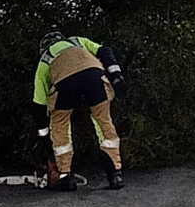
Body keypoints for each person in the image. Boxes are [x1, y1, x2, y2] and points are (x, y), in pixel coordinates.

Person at [32, 30, 129, 191]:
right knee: (104, 121)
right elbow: (105, 51)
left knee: (60, 124)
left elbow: (39, 105)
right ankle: (115, 175)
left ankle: (66, 177)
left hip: (64, 83)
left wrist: (45, 139)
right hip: (94, 76)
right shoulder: (78, 41)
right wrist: (116, 75)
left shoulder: (45, 60)